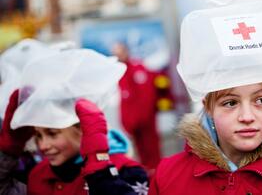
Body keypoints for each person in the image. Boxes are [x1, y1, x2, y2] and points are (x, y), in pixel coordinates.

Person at [149, 1, 262, 194]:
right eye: (230, 103)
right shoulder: (168, 178)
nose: (247, 116)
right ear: (208, 107)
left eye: (261, 100)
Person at [0, 45, 150, 195]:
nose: (43, 145)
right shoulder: (38, 175)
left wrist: (100, 171)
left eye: (52, 133)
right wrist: (8, 151)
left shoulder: (125, 170)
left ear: (82, 128)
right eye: (38, 135)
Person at [112, 42, 161, 174]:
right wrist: (127, 122)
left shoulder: (138, 67)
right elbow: (124, 98)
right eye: (115, 52)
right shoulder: (119, 72)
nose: (117, 55)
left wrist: (141, 118)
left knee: (152, 151)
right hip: (133, 123)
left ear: (126, 51)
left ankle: (156, 176)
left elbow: (147, 95)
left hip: (145, 121)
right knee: (140, 153)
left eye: (119, 51)